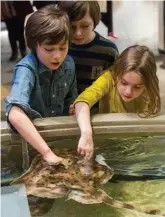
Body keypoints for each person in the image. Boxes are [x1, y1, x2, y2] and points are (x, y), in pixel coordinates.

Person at [5, 5, 78, 167]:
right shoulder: (26, 69)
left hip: (58, 137)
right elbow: (15, 114)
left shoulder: (69, 64)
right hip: (29, 141)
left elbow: (71, 101)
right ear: (34, 45)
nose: (57, 55)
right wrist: (47, 153)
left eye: (63, 47)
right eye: (49, 49)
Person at [74, 45, 161, 158]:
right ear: (117, 73)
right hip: (109, 142)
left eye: (138, 87)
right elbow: (82, 101)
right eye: (124, 83)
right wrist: (86, 134)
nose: (128, 92)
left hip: (138, 143)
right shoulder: (108, 79)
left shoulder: (149, 86)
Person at [58, 1, 118, 95]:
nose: (78, 33)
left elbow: (114, 87)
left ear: (95, 22)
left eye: (85, 26)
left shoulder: (108, 51)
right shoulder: (57, 47)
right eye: (72, 27)